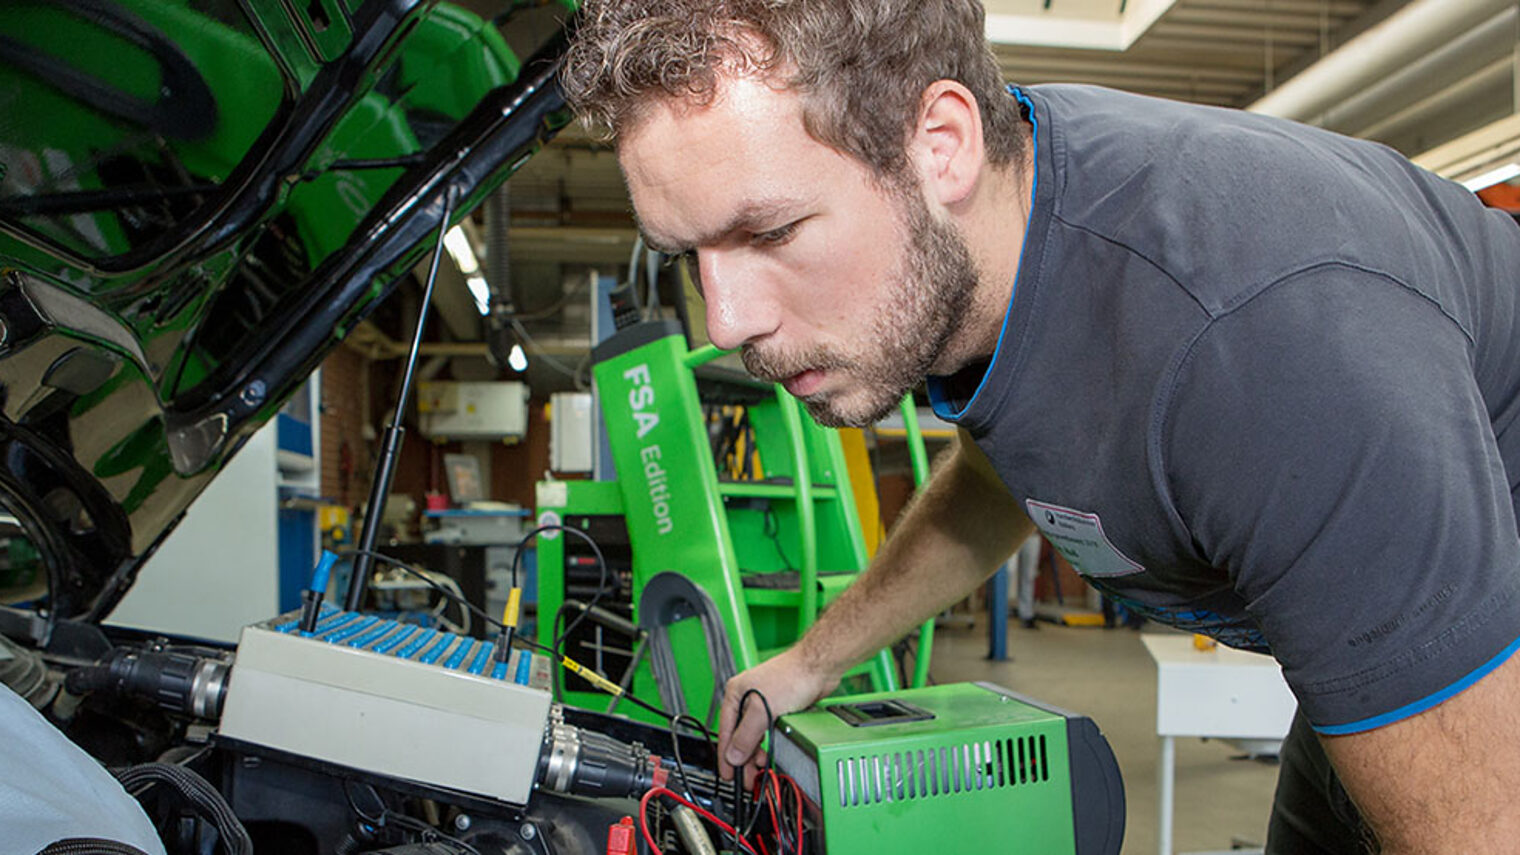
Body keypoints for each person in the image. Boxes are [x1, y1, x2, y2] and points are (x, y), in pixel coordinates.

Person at [561, 1, 1520, 851]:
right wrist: (813, 660)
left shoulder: (1256, 346)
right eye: (693, 255)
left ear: (940, 143)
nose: (726, 322)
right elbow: (1001, 475)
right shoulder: (1003, 237)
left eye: (769, 233)